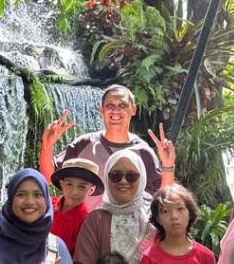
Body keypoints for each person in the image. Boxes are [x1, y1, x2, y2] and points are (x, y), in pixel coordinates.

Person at [39, 84, 175, 208]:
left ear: (133, 109)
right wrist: (47, 145)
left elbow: (162, 197)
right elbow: (47, 177)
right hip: (84, 224)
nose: (116, 110)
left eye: (123, 105)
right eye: (110, 105)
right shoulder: (84, 143)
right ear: (101, 110)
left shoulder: (143, 151)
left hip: (127, 225)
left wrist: (168, 165)